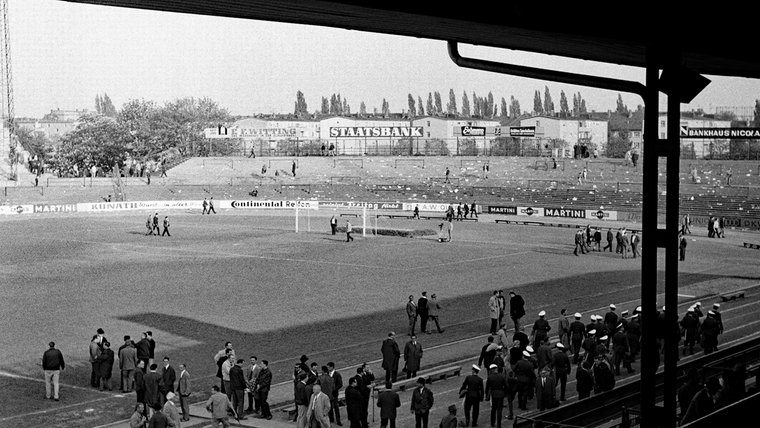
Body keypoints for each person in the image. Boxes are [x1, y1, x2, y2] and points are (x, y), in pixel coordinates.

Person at [326, 362, 342, 426]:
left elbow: (340, 384)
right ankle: (331, 418)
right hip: (328, 394)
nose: (328, 368)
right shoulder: (327, 374)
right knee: (329, 407)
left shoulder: (337, 374)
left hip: (334, 394)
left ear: (332, 367)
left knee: (336, 407)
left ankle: (338, 421)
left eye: (328, 367)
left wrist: (334, 389)